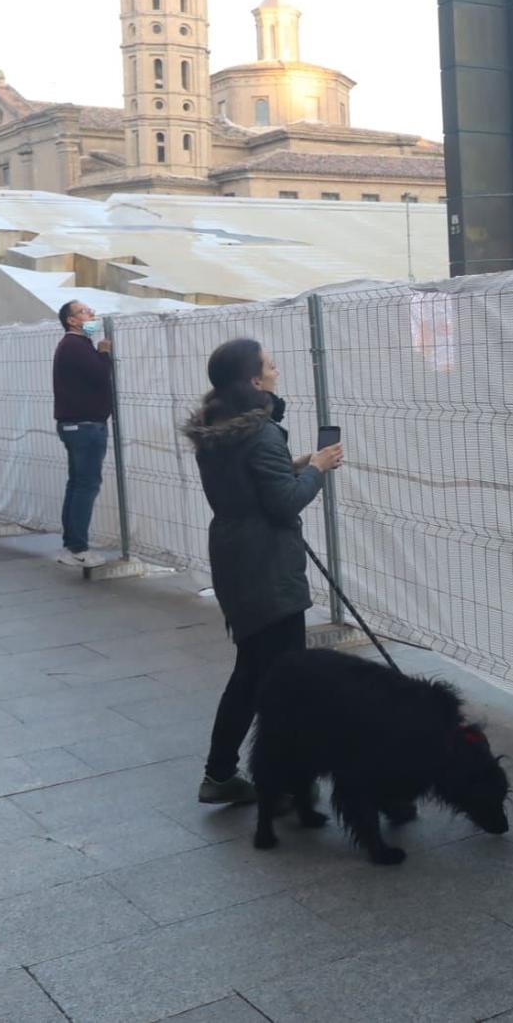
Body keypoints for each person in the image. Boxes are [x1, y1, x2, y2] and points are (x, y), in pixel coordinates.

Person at [182, 338, 344, 804]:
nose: (276, 370)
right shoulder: (262, 433)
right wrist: (315, 470)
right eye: (270, 366)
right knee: (282, 678)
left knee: (252, 671)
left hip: (235, 557)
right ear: (254, 380)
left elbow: (248, 484)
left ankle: (220, 774)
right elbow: (283, 503)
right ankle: (289, 779)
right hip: (268, 564)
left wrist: (297, 463)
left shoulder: (218, 429)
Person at [52, 300, 113, 566]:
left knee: (77, 484)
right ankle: (78, 548)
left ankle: (71, 546)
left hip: (77, 426)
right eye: (85, 312)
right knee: (86, 485)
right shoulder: (75, 346)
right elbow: (100, 376)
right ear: (72, 320)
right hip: (85, 427)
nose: (92, 314)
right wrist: (103, 353)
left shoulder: (73, 346)